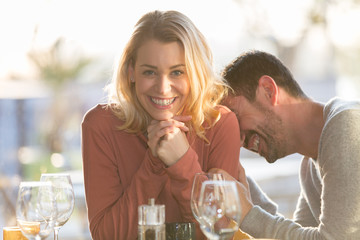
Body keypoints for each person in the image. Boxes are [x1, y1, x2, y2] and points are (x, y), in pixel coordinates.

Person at [81, 10, 246, 239]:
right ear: (131, 72)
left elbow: (220, 233)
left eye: (177, 72)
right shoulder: (101, 126)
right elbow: (107, 235)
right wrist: (153, 162)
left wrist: (182, 162)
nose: (162, 88)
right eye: (150, 72)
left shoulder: (220, 124)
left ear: (195, 74)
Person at [215, 49, 360, 239]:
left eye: (235, 118)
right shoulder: (309, 168)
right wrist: (243, 192)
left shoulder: (347, 125)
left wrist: (248, 213)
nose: (240, 140)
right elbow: (295, 234)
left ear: (268, 90)